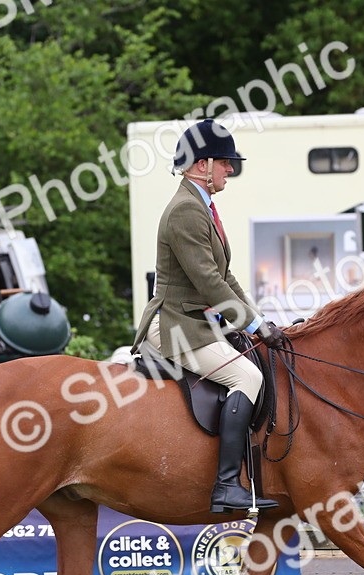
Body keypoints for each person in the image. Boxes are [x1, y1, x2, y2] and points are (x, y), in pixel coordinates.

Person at [132, 119, 284, 513]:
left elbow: (225, 277)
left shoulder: (202, 206)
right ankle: (226, 486)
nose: (230, 169)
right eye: (225, 162)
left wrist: (257, 320)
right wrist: (253, 325)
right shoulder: (185, 210)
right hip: (174, 326)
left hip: (196, 322)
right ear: (202, 165)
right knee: (246, 375)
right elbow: (207, 283)